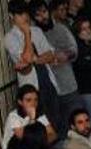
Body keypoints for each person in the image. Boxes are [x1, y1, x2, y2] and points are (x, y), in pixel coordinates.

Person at [3, 0, 61, 135]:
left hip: (48, 83)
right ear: (12, 16)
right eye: (20, 13)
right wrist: (27, 34)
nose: (25, 17)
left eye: (26, 13)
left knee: (56, 122)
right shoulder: (10, 38)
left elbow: (51, 55)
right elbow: (27, 58)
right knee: (39, 126)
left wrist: (35, 59)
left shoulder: (37, 31)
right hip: (31, 89)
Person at [35, 0, 84, 136]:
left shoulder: (61, 29)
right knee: (60, 131)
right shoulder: (35, 34)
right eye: (38, 15)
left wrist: (65, 56)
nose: (43, 17)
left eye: (44, 12)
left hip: (68, 86)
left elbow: (74, 50)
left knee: (79, 124)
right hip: (50, 92)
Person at [3, 84, 57, 149]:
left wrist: (42, 142)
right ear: (20, 102)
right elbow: (25, 138)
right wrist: (32, 119)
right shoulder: (13, 116)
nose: (33, 104)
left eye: (36, 100)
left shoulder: (39, 113)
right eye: (28, 100)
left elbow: (53, 134)